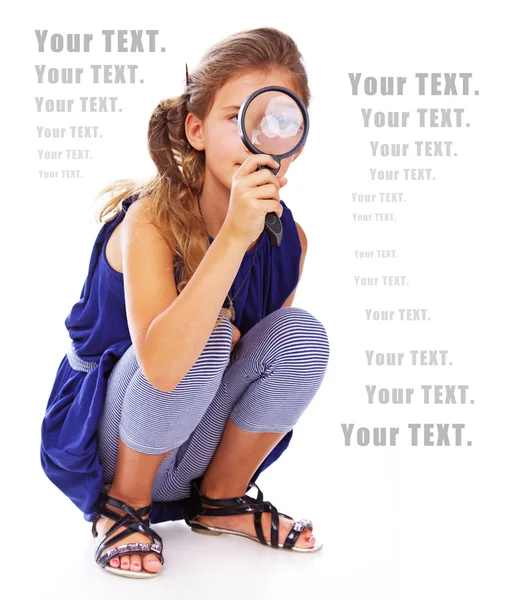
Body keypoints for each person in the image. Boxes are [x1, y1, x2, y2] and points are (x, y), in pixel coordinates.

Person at [40, 26, 330, 579]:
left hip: (189, 444)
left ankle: (221, 500)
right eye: (234, 118)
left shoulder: (290, 240)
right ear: (195, 129)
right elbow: (165, 364)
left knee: (301, 333)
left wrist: (251, 238)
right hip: (104, 444)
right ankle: (124, 506)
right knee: (205, 333)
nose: (257, 137)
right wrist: (233, 239)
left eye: (278, 120)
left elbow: (254, 362)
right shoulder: (148, 220)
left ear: (297, 137)